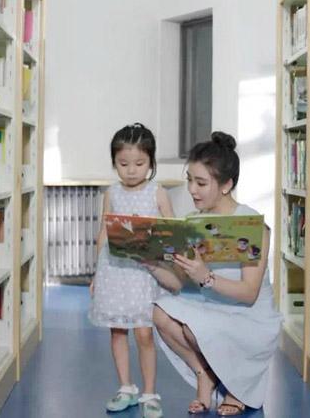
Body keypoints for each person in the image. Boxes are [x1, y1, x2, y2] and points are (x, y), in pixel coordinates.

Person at [144, 131, 282, 416]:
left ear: (226, 185)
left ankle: (236, 387)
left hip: (249, 316)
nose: (192, 190)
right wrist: (151, 264)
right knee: (160, 312)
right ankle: (204, 372)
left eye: (201, 183)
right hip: (211, 308)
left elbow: (249, 294)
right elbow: (179, 284)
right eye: (189, 180)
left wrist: (206, 276)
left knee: (194, 328)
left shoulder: (252, 226)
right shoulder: (192, 222)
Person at [88, 123, 174, 418]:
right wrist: (96, 274)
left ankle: (150, 392)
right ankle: (126, 387)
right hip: (114, 270)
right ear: (114, 162)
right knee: (117, 330)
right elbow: (103, 232)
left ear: (151, 162)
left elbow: (172, 231)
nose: (131, 170)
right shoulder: (111, 192)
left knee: (144, 333)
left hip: (143, 274)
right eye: (123, 164)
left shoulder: (157, 192)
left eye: (139, 163)